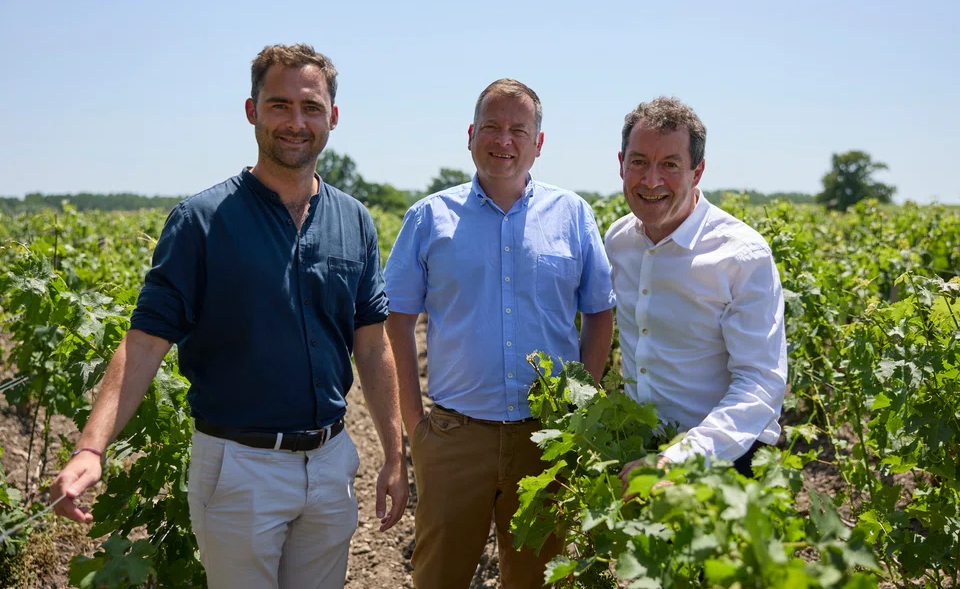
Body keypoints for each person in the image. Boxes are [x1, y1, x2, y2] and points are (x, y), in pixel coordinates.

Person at [49, 44, 408, 589]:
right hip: (240, 468)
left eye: (311, 107)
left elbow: (373, 346)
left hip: (331, 462)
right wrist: (91, 448)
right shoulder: (201, 221)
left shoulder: (353, 220)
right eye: (279, 105)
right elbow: (146, 341)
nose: (296, 122)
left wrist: (393, 453)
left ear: (332, 117)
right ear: (251, 111)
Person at [384, 79, 616, 589]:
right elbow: (396, 320)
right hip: (453, 438)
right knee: (438, 577)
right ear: (471, 135)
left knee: (536, 580)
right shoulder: (429, 218)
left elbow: (600, 312)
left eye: (518, 129)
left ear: (539, 142)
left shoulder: (573, 215)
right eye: (491, 127)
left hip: (544, 438)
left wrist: (581, 411)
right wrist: (414, 425)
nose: (503, 140)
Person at [606, 96, 787, 488]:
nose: (651, 180)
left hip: (727, 460)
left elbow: (761, 383)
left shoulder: (741, 255)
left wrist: (679, 459)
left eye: (670, 165)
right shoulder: (619, 241)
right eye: (639, 162)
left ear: (698, 171)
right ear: (621, 163)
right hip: (641, 454)